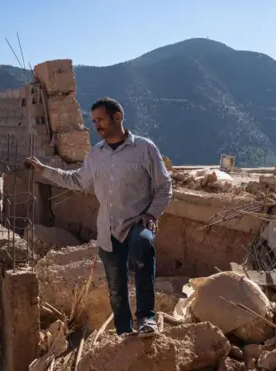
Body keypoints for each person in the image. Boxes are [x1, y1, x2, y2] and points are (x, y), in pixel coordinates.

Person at [25, 97, 172, 337]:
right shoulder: (96, 154)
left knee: (143, 245)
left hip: (138, 222)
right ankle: (124, 333)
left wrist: (151, 214)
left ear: (117, 117)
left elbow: (164, 187)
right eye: (94, 121)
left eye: (101, 120)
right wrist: (44, 170)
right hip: (108, 228)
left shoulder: (145, 148)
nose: (97, 126)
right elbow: (77, 180)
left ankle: (147, 319)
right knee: (116, 287)